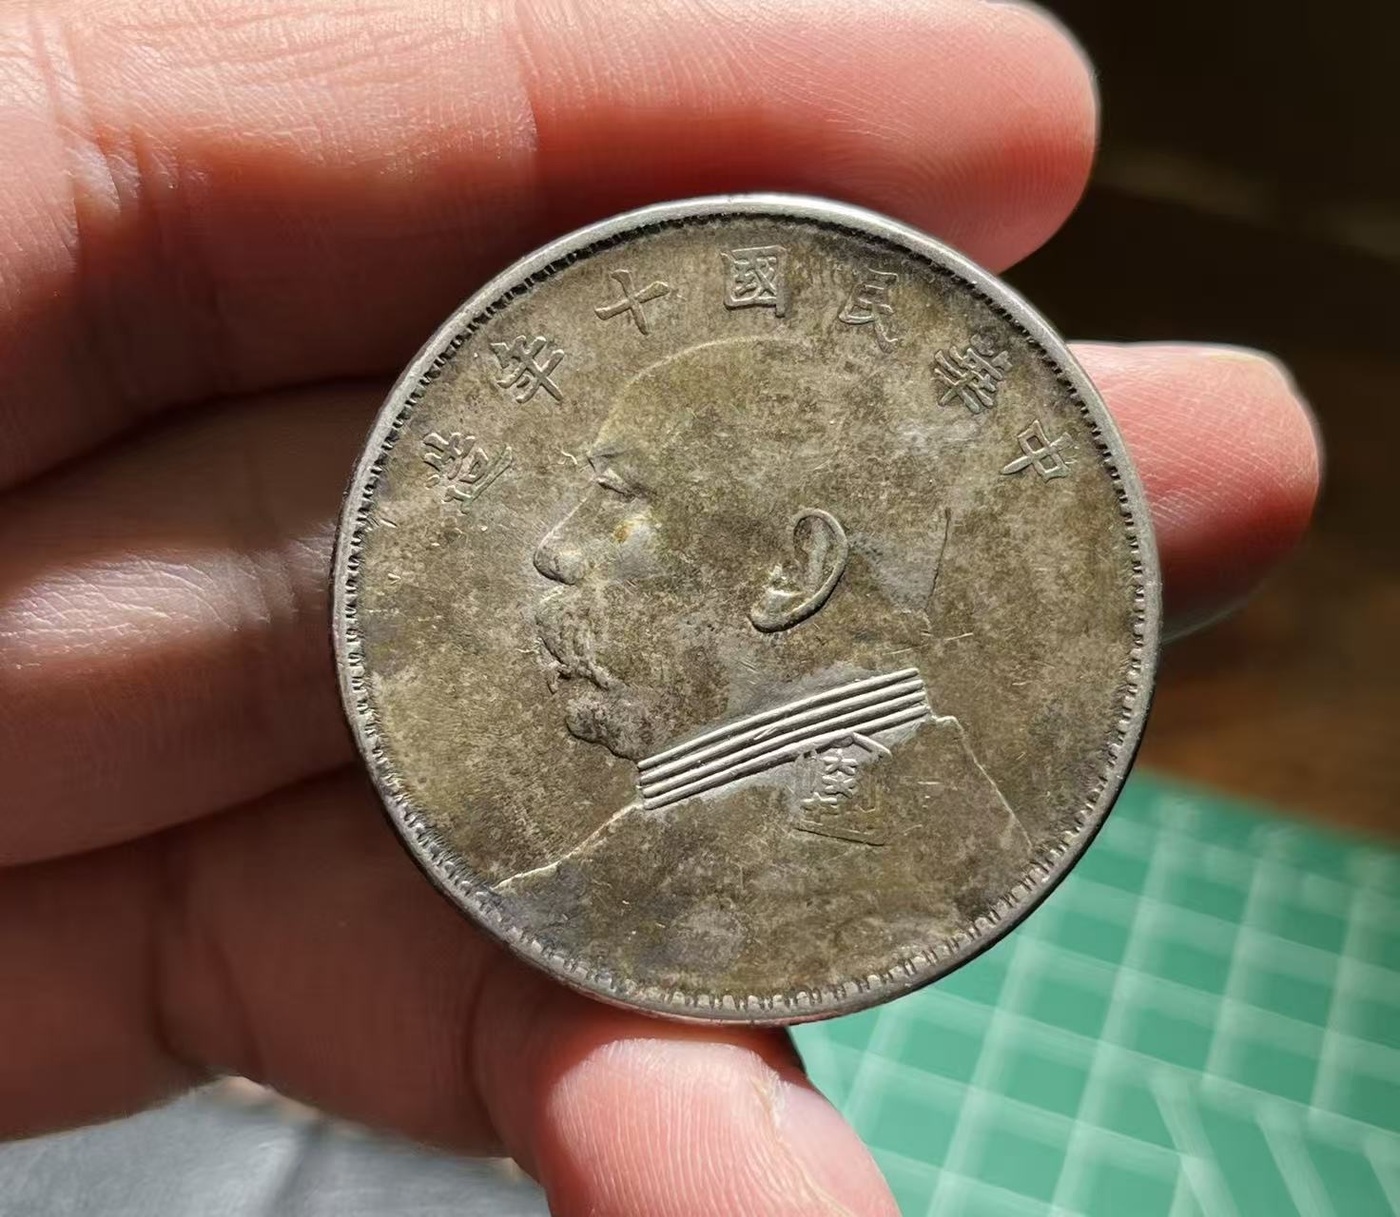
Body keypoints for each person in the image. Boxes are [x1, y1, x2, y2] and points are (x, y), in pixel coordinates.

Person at [0, 2, 1319, 1214]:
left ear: (793, 568)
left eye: (618, 501)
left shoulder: (859, 857)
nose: (551, 553)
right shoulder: (690, 854)